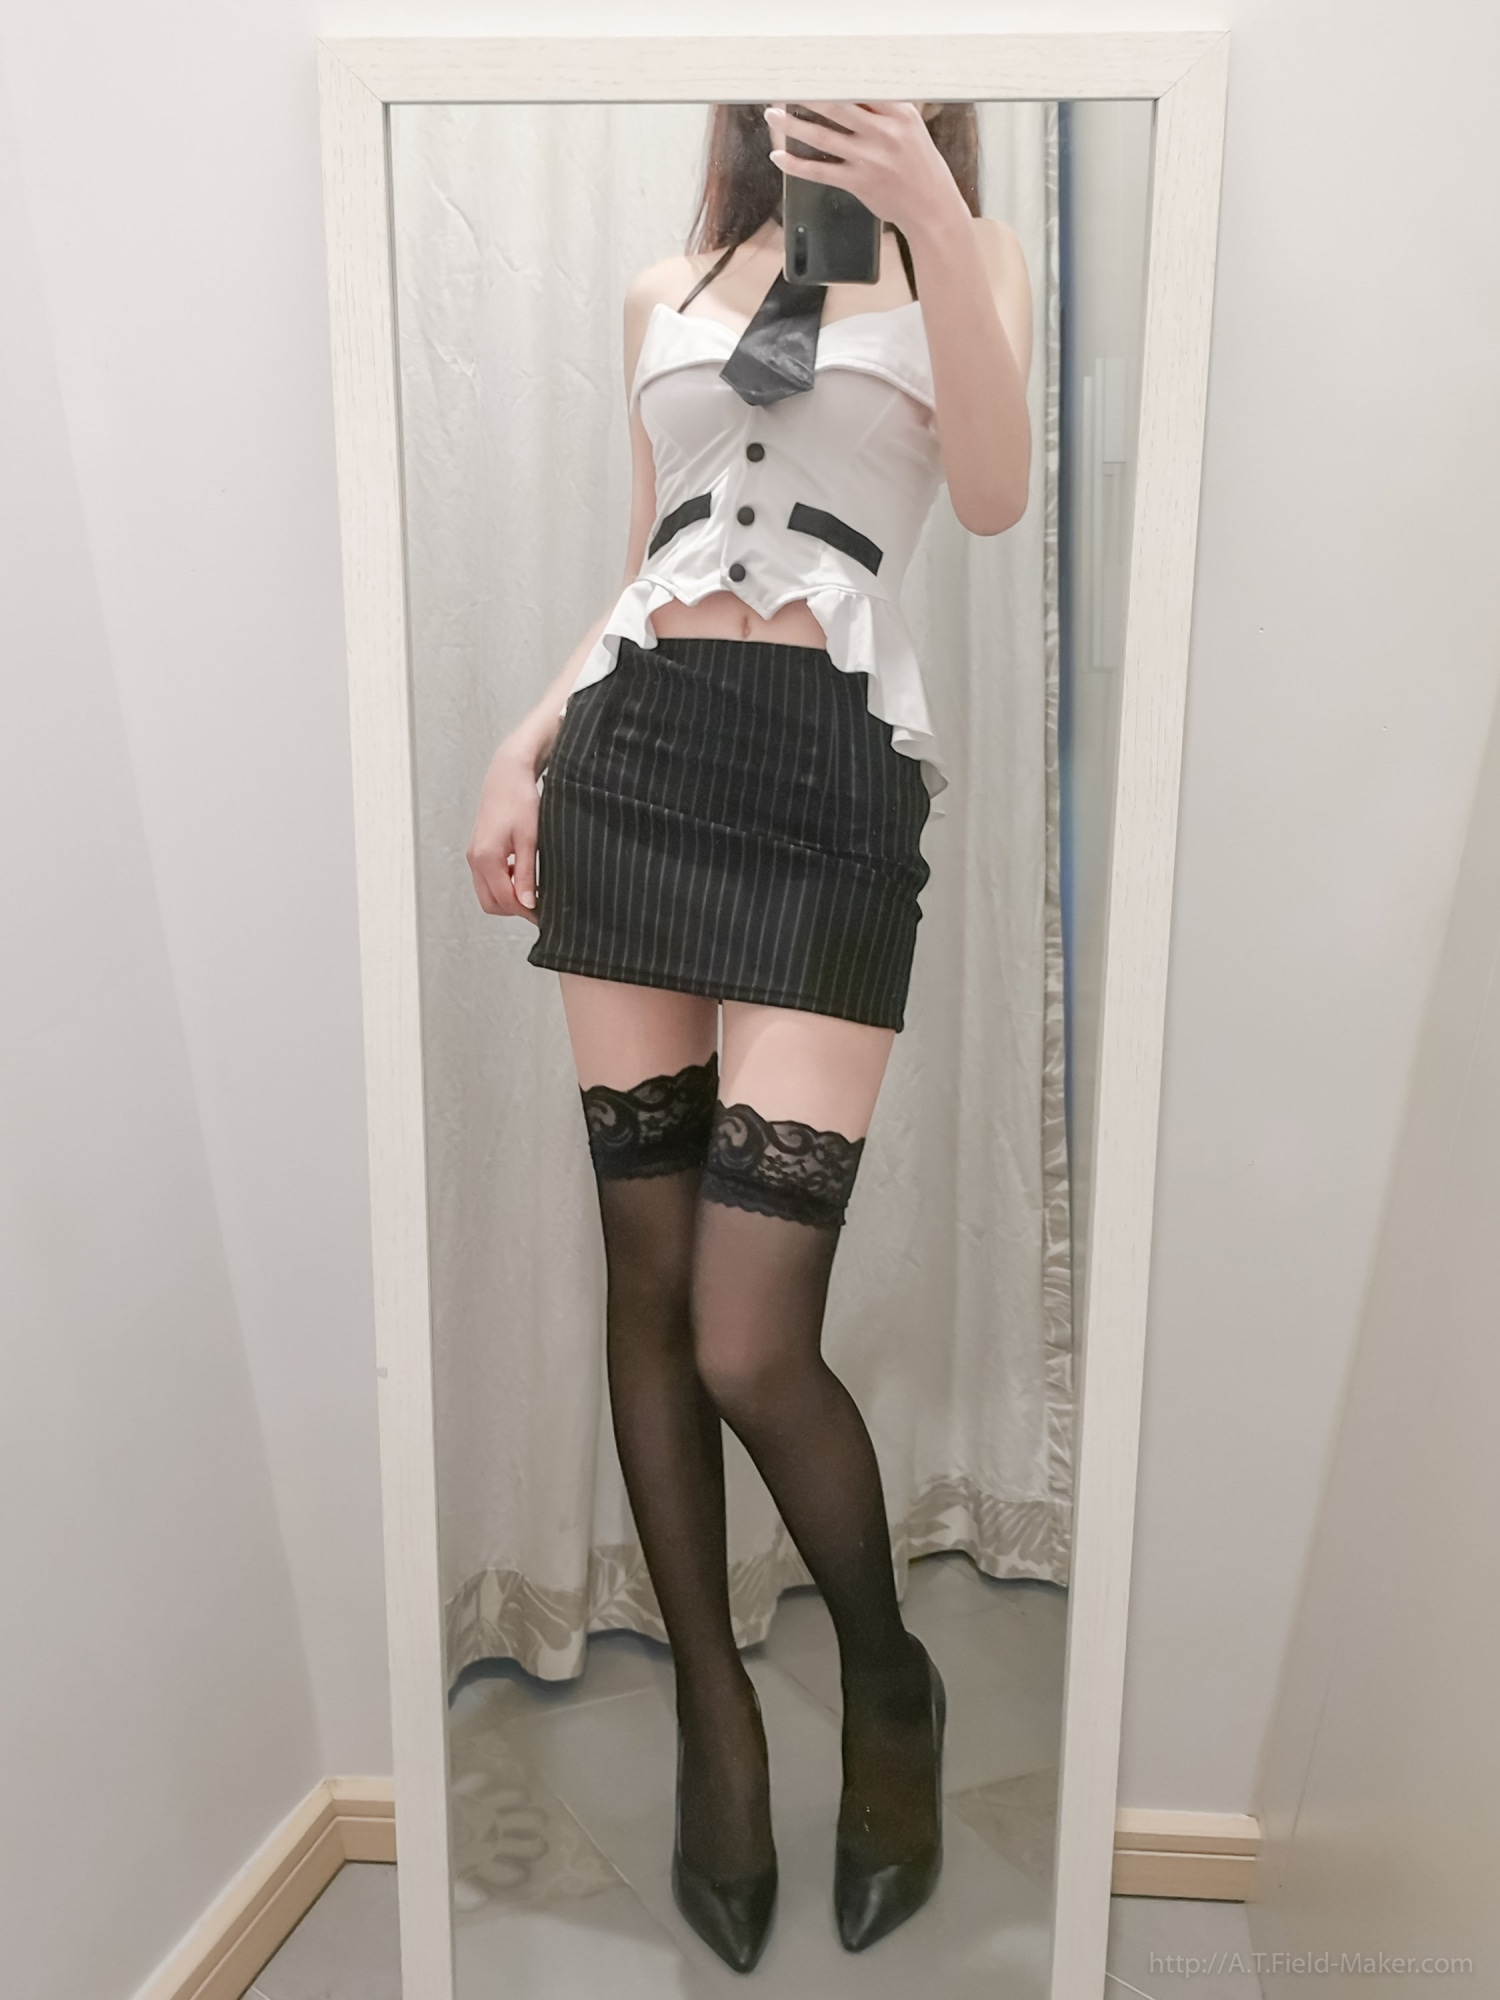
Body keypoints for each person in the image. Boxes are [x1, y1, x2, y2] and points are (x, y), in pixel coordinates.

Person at [467, 99, 1032, 1972]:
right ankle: (716, 1721)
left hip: (828, 782)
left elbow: (995, 492)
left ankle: (886, 1681)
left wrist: (927, 206)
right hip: (632, 760)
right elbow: (647, 554)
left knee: (744, 1334)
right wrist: (526, 740)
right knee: (644, 1279)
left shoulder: (968, 259)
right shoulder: (668, 285)